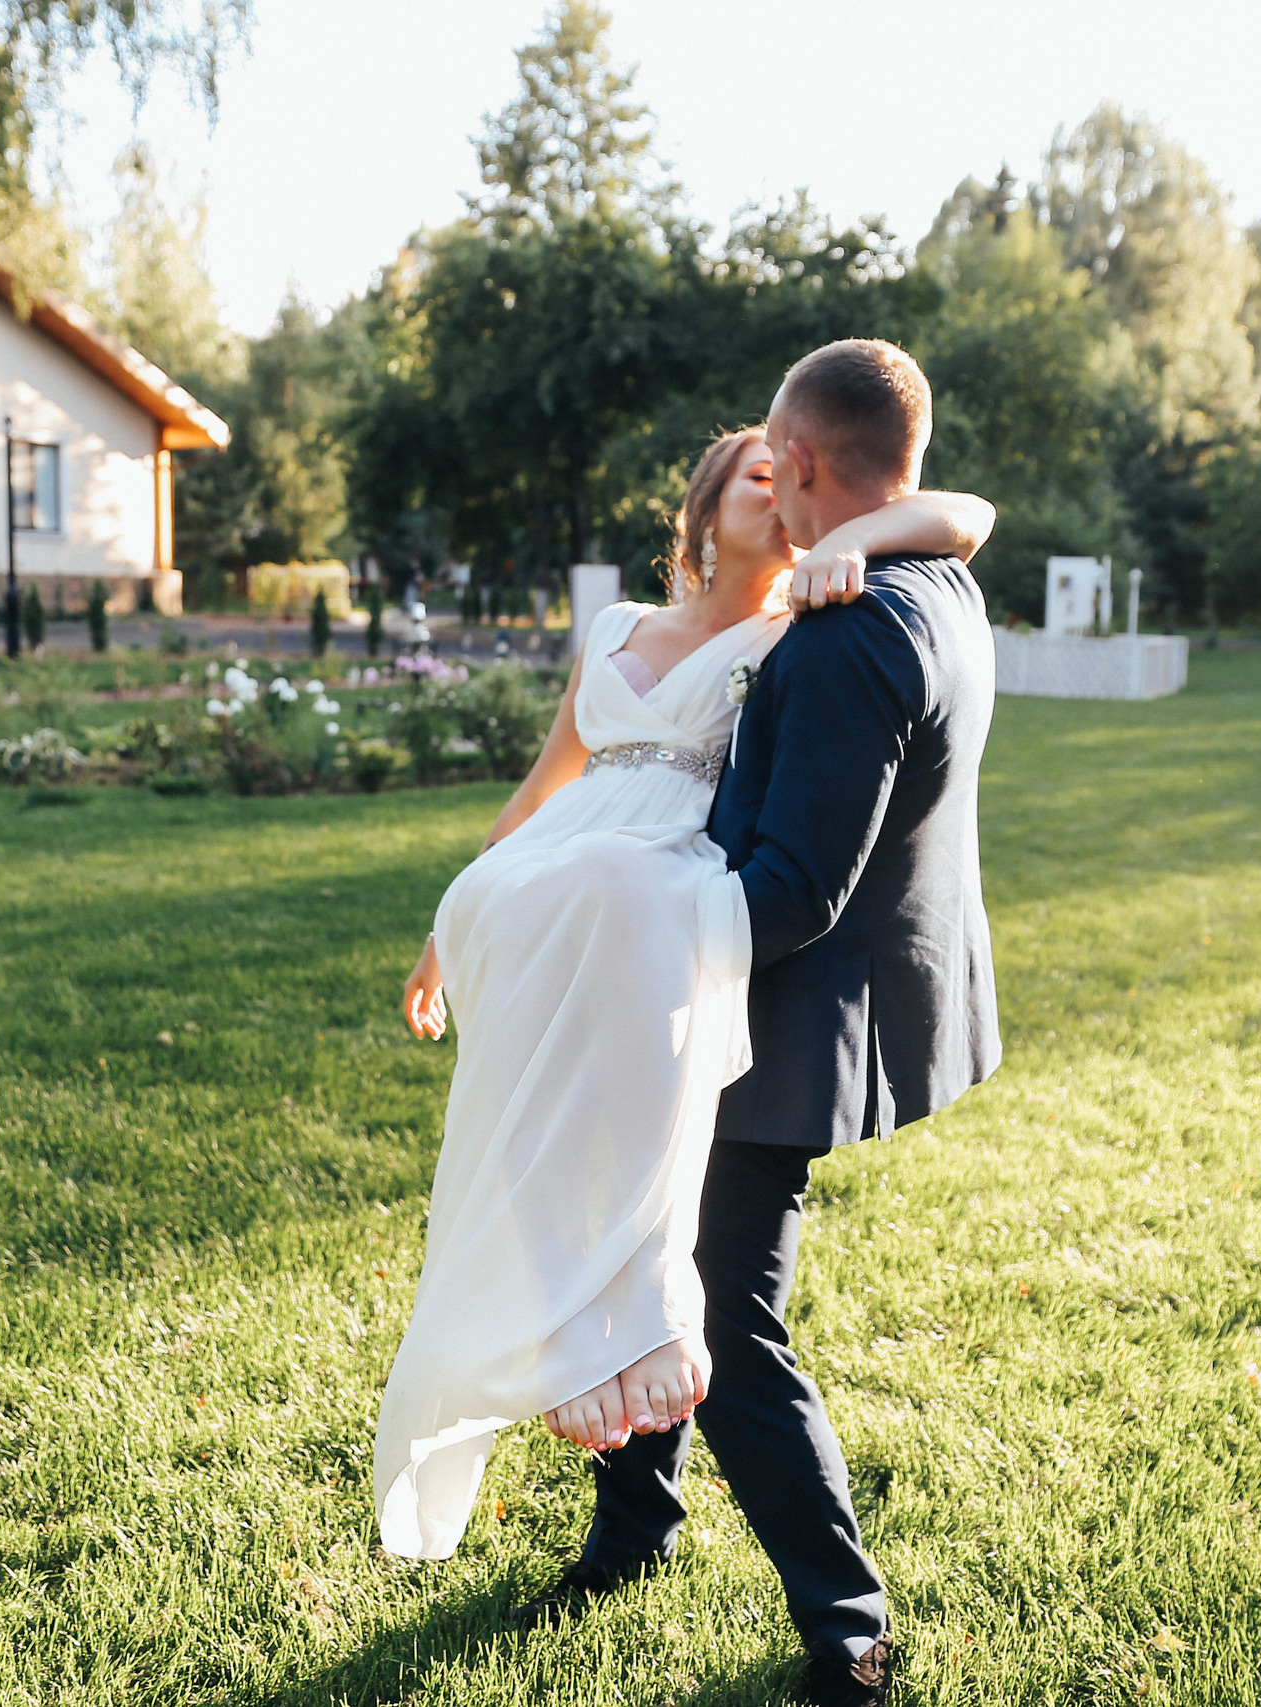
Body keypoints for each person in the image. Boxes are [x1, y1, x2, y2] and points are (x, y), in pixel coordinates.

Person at [374, 402, 994, 1625]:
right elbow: (546, 789)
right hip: (578, 975)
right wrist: (450, 929)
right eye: (747, 475)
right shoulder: (617, 630)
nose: (775, 488)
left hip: (685, 966)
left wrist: (867, 532)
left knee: (713, 1303)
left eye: (787, 471)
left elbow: (960, 515)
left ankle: (846, 1628)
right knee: (615, 1244)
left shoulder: (803, 626)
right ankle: (633, 1531)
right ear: (705, 509)